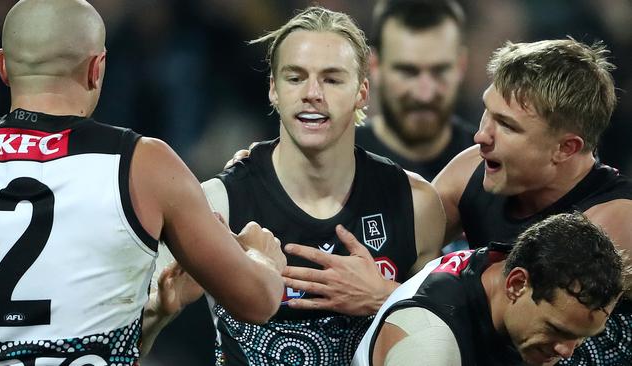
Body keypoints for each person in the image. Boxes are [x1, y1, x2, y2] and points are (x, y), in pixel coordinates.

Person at [0, 1, 286, 365]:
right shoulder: (143, 164)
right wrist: (260, 258)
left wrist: (154, 317)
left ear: (2, 66)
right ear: (97, 68)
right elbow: (257, 300)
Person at [145, 6, 446, 366]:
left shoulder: (415, 205)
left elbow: (447, 341)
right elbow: (124, 345)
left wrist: (386, 297)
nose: (312, 93)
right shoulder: (217, 204)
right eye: (295, 77)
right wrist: (159, 314)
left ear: (362, 92)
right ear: (273, 89)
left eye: (332, 79)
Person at [433, 38, 632, 364]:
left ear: (565, 148)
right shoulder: (472, 171)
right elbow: (398, 250)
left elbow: (523, 330)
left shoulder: (613, 223)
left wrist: (393, 298)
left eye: (508, 126)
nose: (481, 136)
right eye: (488, 111)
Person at [351, 212, 628, 366]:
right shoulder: (429, 347)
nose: (568, 351)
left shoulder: (501, 266)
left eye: (581, 337)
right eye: (558, 330)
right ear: (517, 284)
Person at [356, 0, 475, 182]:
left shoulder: (488, 162)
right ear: (374, 66)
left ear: (461, 65)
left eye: (440, 71)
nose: (424, 95)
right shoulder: (338, 160)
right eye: (407, 72)